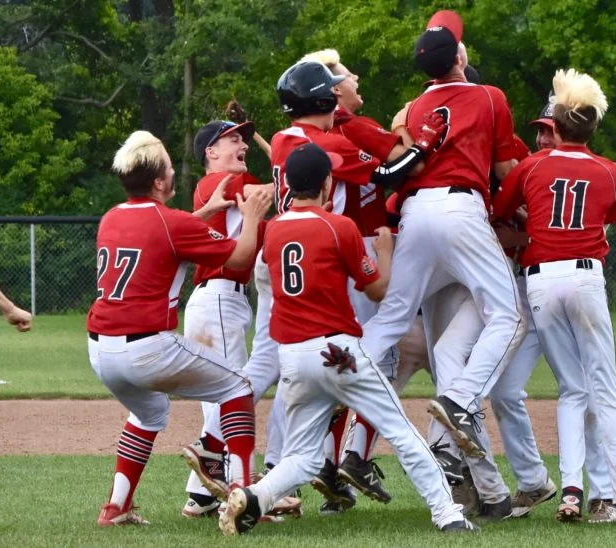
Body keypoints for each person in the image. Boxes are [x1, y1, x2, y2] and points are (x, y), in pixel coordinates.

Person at [218, 142, 473, 535]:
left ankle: (256, 497)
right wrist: (386, 252)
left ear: (286, 182)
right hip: (338, 352)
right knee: (401, 431)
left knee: (302, 456)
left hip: (293, 357)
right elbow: (376, 290)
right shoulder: (339, 226)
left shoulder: (272, 233)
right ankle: (448, 514)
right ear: (327, 184)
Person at [267, 59, 445, 508]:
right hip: (328, 246)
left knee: (286, 370)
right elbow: (393, 172)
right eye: (334, 85)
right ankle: (336, 460)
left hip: (283, 242)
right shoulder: (330, 141)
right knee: (364, 360)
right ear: (324, 99)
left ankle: (289, 467)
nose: (344, 85)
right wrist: (423, 142)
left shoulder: (283, 140)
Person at [358, 9, 525, 461]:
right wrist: (522, 210)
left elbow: (401, 146)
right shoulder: (490, 97)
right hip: (462, 209)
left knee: (393, 315)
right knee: (508, 316)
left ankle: (346, 375)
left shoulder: (411, 109)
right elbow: (506, 169)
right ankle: (461, 400)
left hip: (414, 214)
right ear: (460, 56)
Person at [87, 130, 276, 527]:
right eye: (170, 169)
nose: (174, 173)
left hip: (100, 351)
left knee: (150, 413)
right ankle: (244, 497)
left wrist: (207, 212)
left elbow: (160, 232)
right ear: (159, 182)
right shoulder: (169, 222)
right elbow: (240, 260)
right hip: (146, 348)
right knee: (238, 388)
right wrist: (254, 217)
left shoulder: (111, 217)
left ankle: (115, 507)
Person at [494, 68, 616, 525]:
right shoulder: (609, 170)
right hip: (584, 276)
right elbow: (605, 218)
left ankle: (573, 491)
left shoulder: (531, 165)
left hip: (539, 280)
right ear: (592, 126)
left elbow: (498, 211)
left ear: (557, 126)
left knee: (572, 390)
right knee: (605, 391)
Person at [180, 117, 266, 518]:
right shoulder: (224, 183)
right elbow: (279, 192)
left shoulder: (229, 187)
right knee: (235, 393)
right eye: (232, 139)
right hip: (218, 298)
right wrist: (294, 159)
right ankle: (239, 488)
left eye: (243, 139)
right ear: (210, 153)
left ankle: (200, 495)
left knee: (218, 399)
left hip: (215, 301)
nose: (241, 144)